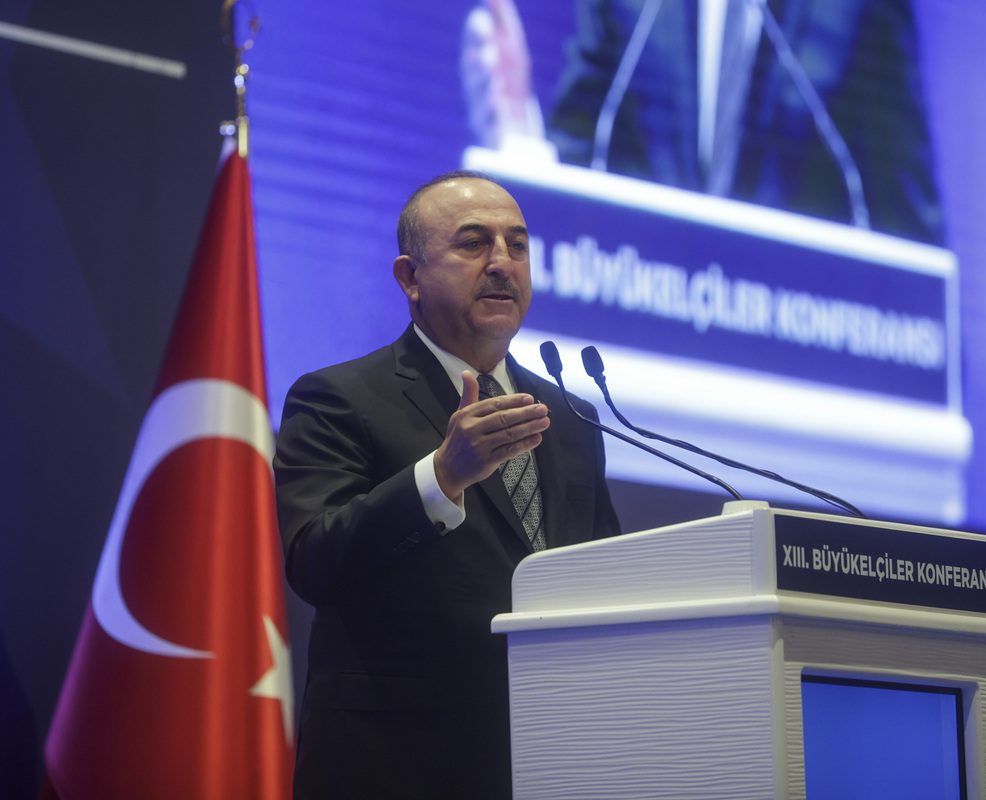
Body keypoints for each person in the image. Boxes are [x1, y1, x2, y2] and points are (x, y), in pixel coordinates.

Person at [273, 170, 622, 798]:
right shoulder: (338, 398)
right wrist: (440, 477)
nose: (501, 263)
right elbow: (314, 560)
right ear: (410, 277)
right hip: (401, 763)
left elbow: (602, 576)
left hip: (554, 757)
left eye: (517, 245)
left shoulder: (572, 418)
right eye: (472, 243)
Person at [462, 0, 944, 245]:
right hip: (651, 352)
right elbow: (586, 158)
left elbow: (904, 214)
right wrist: (520, 144)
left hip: (803, 359)